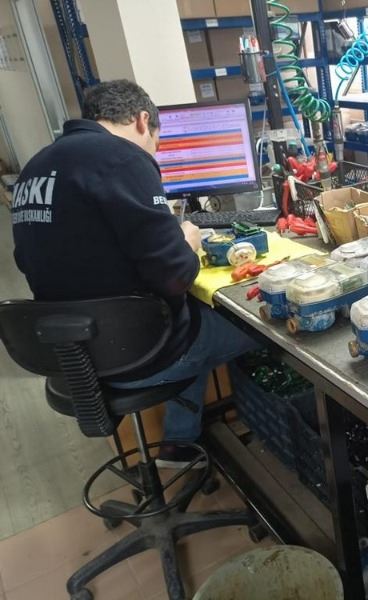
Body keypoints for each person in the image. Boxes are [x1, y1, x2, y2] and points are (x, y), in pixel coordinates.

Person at [11, 80, 259, 468]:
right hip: (139, 354)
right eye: (156, 143)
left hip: (71, 353)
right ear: (143, 120)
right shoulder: (122, 157)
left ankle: (178, 445)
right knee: (265, 323)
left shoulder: (36, 167)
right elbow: (176, 276)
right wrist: (186, 242)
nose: (152, 153)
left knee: (190, 319)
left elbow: (32, 259)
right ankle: (282, 438)